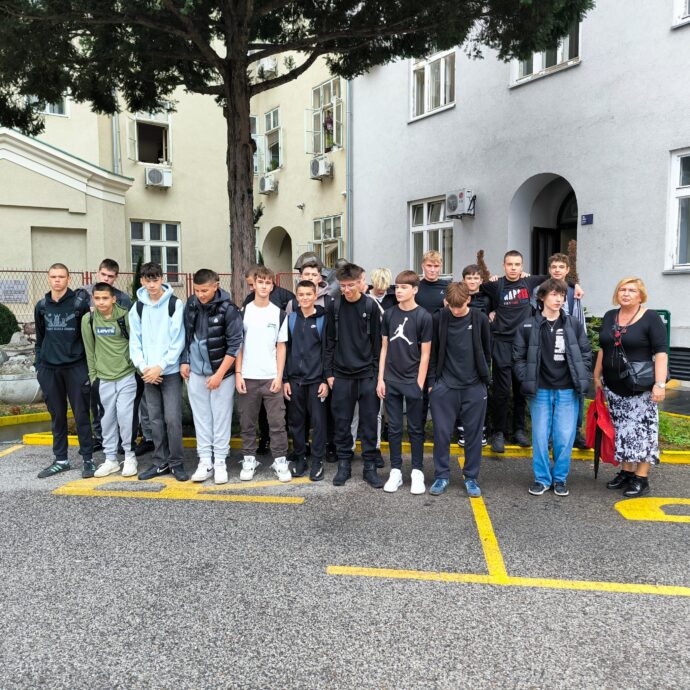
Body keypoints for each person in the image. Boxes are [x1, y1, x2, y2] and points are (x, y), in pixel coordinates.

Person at [513, 279, 592, 497]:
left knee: (564, 437)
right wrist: (526, 378)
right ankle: (542, 479)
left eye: (562, 295)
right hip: (540, 390)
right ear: (542, 297)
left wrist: (581, 375)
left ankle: (560, 479)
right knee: (540, 437)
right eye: (554, 294)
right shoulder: (528, 325)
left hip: (567, 389)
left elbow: (586, 353)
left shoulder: (573, 324)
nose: (559, 299)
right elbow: (518, 357)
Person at [594, 277, 668, 497]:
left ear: (640, 295)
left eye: (632, 290)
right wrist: (596, 375)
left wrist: (660, 384)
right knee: (622, 430)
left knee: (644, 431)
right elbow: (603, 348)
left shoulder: (651, 317)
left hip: (640, 387)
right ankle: (626, 472)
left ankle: (641, 478)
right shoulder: (610, 316)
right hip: (613, 386)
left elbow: (661, 353)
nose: (626, 294)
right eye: (622, 289)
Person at [428, 282, 491, 497]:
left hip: (474, 386)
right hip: (445, 386)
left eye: (459, 306)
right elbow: (433, 352)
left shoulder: (479, 319)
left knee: (473, 435)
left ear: (468, 300)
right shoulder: (439, 318)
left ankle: (471, 477)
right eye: (451, 306)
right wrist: (432, 384)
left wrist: (484, 381)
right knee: (441, 434)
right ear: (446, 302)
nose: (455, 310)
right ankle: (441, 476)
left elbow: (487, 351)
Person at [480, 251, 548, 453]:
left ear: (522, 266)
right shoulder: (496, 285)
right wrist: (488, 310)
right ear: (504, 265)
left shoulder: (529, 282)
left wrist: (575, 285)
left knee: (521, 389)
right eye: (509, 264)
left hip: (524, 343)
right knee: (501, 391)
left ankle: (519, 431)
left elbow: (555, 278)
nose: (513, 268)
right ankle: (498, 433)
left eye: (517, 264)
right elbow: (473, 287)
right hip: (501, 342)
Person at [180, 269, 243, 485]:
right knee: (201, 418)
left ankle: (220, 462)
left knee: (221, 419)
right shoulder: (191, 304)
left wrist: (219, 374)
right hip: (196, 372)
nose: (200, 295)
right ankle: (205, 461)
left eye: (204, 290)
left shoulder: (229, 309)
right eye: (197, 290)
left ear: (216, 286)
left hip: (221, 374)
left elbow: (235, 345)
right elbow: (186, 335)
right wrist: (185, 360)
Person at [324, 263, 383, 488]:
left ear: (360, 282)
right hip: (341, 375)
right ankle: (344, 466)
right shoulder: (334, 306)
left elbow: (378, 344)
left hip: (367, 375)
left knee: (369, 423)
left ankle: (369, 467)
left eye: (350, 285)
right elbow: (329, 342)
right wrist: (329, 373)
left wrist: (377, 375)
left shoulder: (371, 306)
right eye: (343, 286)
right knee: (342, 423)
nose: (346, 290)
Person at [34, 263, 94, 478]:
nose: (57, 280)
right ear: (48, 278)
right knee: (57, 416)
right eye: (53, 276)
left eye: (61, 276)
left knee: (81, 415)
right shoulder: (42, 306)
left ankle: (88, 460)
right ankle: (61, 460)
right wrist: (39, 366)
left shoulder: (79, 304)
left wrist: (88, 369)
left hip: (76, 367)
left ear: (69, 279)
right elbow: (40, 338)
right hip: (50, 370)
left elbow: (88, 338)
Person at [129, 262, 188, 481]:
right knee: (154, 419)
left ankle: (177, 463)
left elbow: (178, 340)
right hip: (147, 373)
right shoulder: (138, 307)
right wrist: (143, 366)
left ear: (162, 279)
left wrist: (160, 366)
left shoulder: (174, 304)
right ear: (142, 281)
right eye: (148, 280)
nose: (152, 284)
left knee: (172, 419)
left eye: (155, 279)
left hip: (168, 372)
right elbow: (135, 341)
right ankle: (160, 462)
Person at [377, 270, 432, 494]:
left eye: (403, 287)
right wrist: (381, 379)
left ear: (414, 290)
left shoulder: (424, 316)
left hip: (413, 381)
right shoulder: (389, 314)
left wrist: (419, 383)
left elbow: (426, 354)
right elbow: (384, 348)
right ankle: (396, 471)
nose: (398, 291)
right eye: (397, 287)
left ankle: (417, 472)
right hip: (391, 379)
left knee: (416, 429)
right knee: (394, 428)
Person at [235, 266, 291, 483]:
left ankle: (280, 460)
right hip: (248, 377)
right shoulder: (244, 312)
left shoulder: (278, 313)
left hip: (271, 378)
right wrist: (238, 374)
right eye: (260, 282)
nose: (264, 286)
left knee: (277, 423)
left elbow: (281, 346)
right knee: (247, 422)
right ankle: (249, 459)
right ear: (254, 284)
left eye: (268, 283)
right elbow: (238, 345)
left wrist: (279, 376)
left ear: (272, 286)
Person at [82, 282, 143, 478]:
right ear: (93, 299)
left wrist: (137, 370)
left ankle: (130, 456)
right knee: (107, 419)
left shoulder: (126, 317)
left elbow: (136, 344)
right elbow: (89, 350)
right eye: (97, 298)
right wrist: (93, 377)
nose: (101, 302)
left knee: (126, 417)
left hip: (127, 375)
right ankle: (110, 459)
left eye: (105, 298)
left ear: (113, 299)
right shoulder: (89, 320)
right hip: (103, 378)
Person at [84, 258, 133, 453]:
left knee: (123, 411)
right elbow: (87, 334)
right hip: (98, 363)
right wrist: (93, 373)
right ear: (98, 273)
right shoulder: (83, 295)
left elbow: (131, 336)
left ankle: (125, 445)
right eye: (103, 274)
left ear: (116, 277)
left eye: (110, 276)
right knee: (98, 407)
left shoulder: (124, 300)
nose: (106, 279)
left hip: (123, 368)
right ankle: (100, 438)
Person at [283, 280, 328, 482]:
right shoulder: (291, 319)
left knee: (318, 423)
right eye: (301, 294)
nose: (305, 298)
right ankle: (300, 458)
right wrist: (285, 379)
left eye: (309, 294)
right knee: (296, 422)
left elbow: (327, 351)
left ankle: (317, 460)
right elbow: (285, 350)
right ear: (296, 296)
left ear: (315, 295)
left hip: (316, 380)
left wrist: (325, 380)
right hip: (295, 381)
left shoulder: (323, 319)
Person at [457, 263, 491, 448]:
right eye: (469, 278)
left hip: (480, 350)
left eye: (476, 278)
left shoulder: (487, 298)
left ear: (481, 280)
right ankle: (462, 430)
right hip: (459, 349)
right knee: (460, 394)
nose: (472, 281)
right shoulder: (458, 296)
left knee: (479, 393)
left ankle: (481, 430)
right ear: (463, 280)